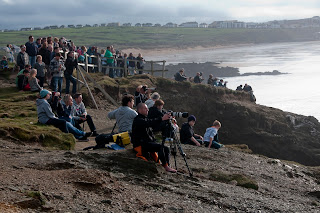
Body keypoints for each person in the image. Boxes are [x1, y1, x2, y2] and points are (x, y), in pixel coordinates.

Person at [131, 103, 176, 173]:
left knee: (165, 148)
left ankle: (167, 165)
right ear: (139, 110)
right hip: (141, 144)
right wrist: (161, 118)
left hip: (146, 142)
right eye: (145, 108)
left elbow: (152, 125)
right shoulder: (138, 120)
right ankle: (165, 166)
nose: (147, 110)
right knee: (162, 148)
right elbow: (149, 123)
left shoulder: (144, 118)